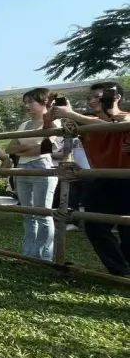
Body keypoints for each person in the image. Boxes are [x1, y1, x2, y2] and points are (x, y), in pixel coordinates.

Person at [51, 82, 129, 276]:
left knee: (128, 230)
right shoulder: (84, 123)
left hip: (127, 178)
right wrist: (53, 109)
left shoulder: (126, 117)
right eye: (90, 97)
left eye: (98, 96)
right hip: (101, 178)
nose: (92, 100)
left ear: (116, 97)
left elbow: (115, 127)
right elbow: (57, 134)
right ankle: (120, 272)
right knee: (94, 226)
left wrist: (71, 114)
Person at [6, 88, 63, 261]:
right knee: (27, 214)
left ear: (45, 101)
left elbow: (46, 148)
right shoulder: (23, 125)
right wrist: (29, 149)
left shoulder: (55, 122)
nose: (27, 106)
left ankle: (45, 256)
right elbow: (10, 148)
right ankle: (29, 254)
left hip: (42, 168)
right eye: (26, 102)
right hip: (22, 169)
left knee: (42, 214)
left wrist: (22, 149)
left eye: (31, 102)